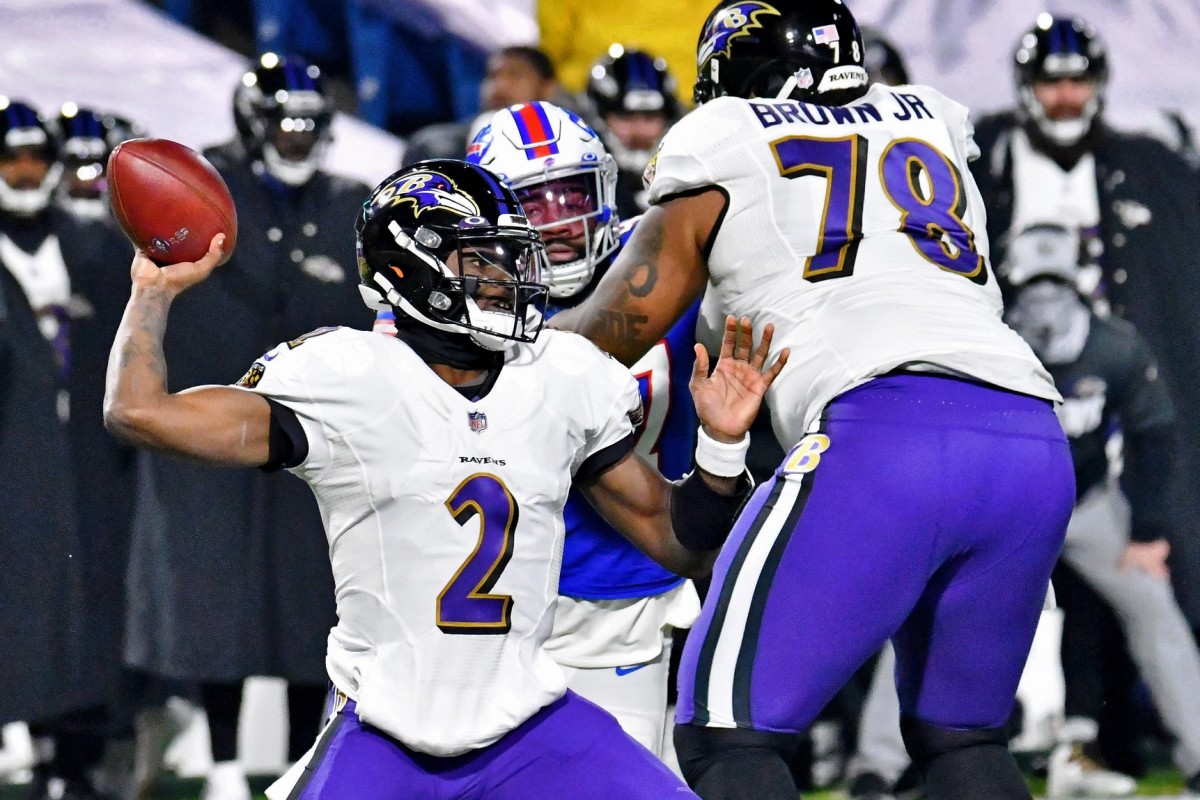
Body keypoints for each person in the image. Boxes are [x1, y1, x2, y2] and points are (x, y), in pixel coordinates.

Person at [102, 158, 787, 799]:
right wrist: (152, 294)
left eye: (511, 256)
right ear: (410, 271)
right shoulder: (348, 377)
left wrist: (721, 449)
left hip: (531, 727)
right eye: (482, 259)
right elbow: (139, 412)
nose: (507, 278)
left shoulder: (559, 376)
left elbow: (680, 541)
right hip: (386, 734)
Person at [549, 2, 1074, 799]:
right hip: (1030, 434)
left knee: (727, 731)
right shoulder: (932, 119)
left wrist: (511, 339)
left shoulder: (726, 138)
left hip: (884, 433)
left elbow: (605, 336)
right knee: (963, 740)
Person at [125, 53, 372, 800]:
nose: (295, 139)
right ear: (251, 121)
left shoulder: (350, 201)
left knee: (311, 599)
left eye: (308, 125)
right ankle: (227, 762)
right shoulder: (204, 189)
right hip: (213, 418)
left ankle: (302, 759)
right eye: (283, 123)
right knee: (214, 595)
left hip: (315, 433)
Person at [469, 100, 703, 754]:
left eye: (572, 193)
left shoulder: (666, 257)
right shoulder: (460, 297)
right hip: (489, 595)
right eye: (534, 204)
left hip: (625, 590)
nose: (562, 222)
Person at [970, 14, 1200, 631]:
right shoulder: (980, 165)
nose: (1066, 97)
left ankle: (1136, 720)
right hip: (1010, 398)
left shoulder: (1150, 167)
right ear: (1025, 86)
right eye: (1051, 83)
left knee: (1150, 569)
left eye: (1079, 82)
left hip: (1116, 402)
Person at [1002, 225, 1200, 797]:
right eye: (1034, 284)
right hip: (1007, 507)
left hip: (1086, 500)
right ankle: (881, 765)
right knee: (928, 610)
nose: (1046, 301)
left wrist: (1148, 532)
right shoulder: (990, 338)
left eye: (1056, 282)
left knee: (1154, 607)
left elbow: (1156, 433)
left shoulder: (1114, 345)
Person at [0, 97, 136, 800]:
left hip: (85, 455)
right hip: (11, 456)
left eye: (35, 156)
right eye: (11, 156)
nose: (25, 170)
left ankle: (74, 759)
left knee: (88, 601)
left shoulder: (96, 247)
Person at [402, 46, 568, 166]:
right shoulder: (433, 148)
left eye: (515, 75)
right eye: (492, 76)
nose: (500, 85)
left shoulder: (572, 145)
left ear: (548, 88)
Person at [584, 45, 681, 217]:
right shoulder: (584, 180)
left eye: (650, 117)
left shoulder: (686, 169)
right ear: (599, 117)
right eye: (625, 117)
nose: (639, 130)